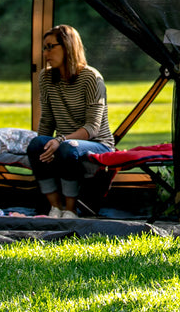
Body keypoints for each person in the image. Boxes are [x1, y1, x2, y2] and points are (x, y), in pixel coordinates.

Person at [26, 24, 115, 219]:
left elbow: (93, 128)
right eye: (44, 47)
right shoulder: (46, 77)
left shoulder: (91, 78)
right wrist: (45, 146)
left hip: (98, 144)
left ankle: (71, 209)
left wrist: (60, 140)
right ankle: (55, 208)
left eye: (51, 46)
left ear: (68, 46)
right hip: (65, 143)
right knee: (36, 145)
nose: (46, 53)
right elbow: (47, 120)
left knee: (68, 147)